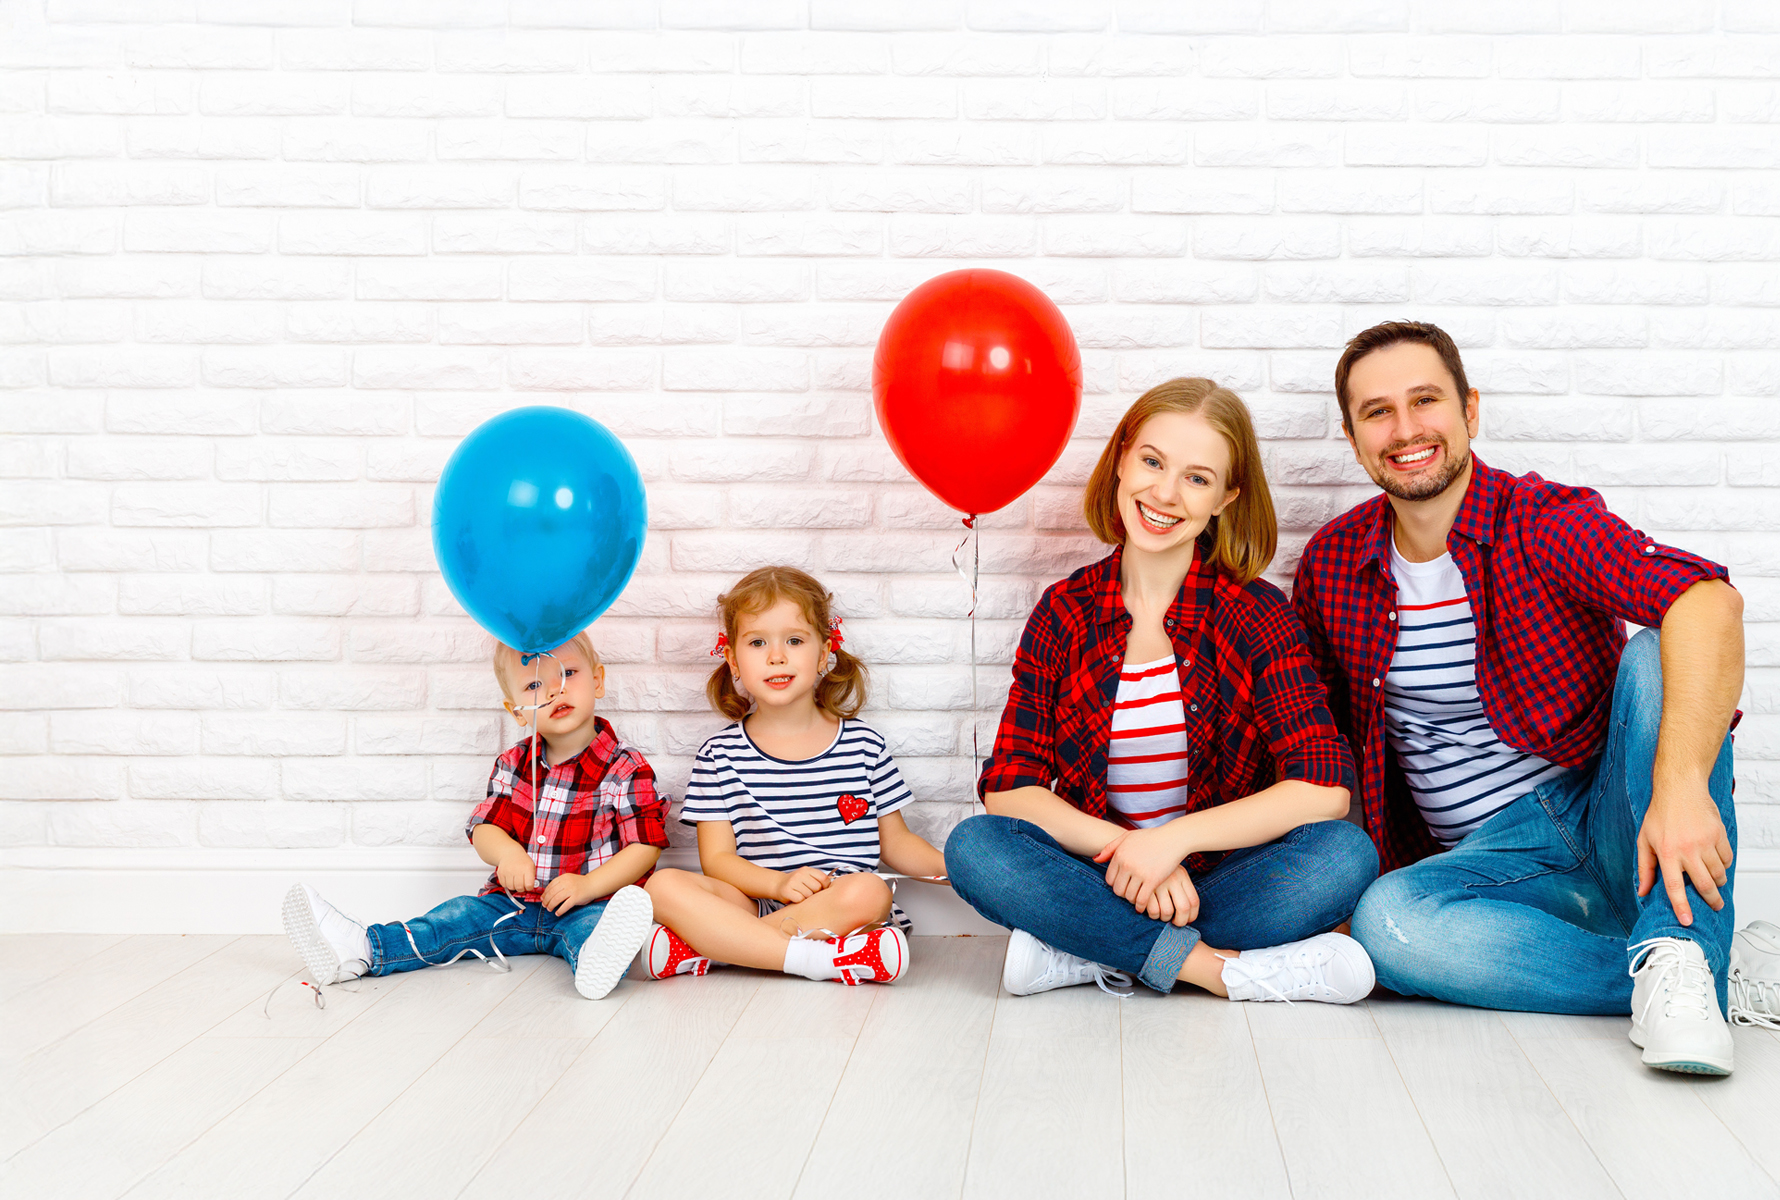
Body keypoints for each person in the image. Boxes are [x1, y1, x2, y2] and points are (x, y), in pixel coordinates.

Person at [1293, 320, 1745, 1074]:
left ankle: (1684, 958)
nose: (1405, 430)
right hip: (1488, 864)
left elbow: (1708, 601)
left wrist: (1677, 789)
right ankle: (1683, 970)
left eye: (1425, 400)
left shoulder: (1539, 521)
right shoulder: (1335, 562)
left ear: (1469, 410)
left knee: (1657, 648)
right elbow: (1319, 734)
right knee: (1389, 924)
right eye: (1377, 412)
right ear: (1352, 434)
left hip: (1609, 814)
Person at [945, 378, 1381, 1002]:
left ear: (1227, 497)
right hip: (1097, 872)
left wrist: (1174, 842)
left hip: (1220, 878)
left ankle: (1085, 947)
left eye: (1197, 478)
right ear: (1122, 458)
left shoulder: (1258, 614)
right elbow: (1013, 789)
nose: (1165, 493)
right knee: (976, 848)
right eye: (1152, 461)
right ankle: (1216, 970)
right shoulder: (1064, 612)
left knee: (1343, 857)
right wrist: (1133, 852)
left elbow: (1323, 789)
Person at [281, 631, 663, 1001]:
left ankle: (596, 963)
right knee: (453, 918)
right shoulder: (513, 763)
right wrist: (508, 854)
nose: (554, 691)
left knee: (595, 931)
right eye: (533, 686)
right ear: (515, 711)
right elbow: (485, 828)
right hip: (510, 905)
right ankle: (364, 946)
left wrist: (589, 886)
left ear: (597, 680)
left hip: (589, 904)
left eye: (569, 673)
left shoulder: (625, 766)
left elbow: (644, 847)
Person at [641, 566, 947, 986]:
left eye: (795, 641)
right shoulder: (719, 755)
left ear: (824, 654)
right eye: (757, 642)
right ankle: (821, 959)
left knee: (870, 891)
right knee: (662, 885)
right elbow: (717, 862)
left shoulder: (863, 746)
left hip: (836, 904)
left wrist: (958, 869)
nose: (776, 656)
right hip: (755, 899)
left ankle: (718, 951)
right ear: (732, 659)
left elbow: (896, 844)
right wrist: (779, 882)